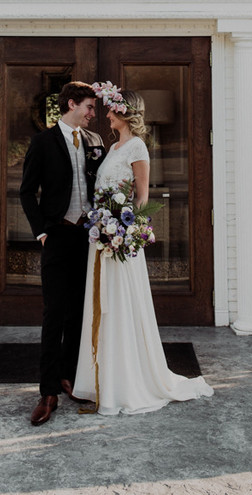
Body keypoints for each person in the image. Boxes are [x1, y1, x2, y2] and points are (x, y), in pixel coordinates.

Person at [74, 84, 214, 415]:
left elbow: (141, 198)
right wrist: (101, 226)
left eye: (110, 109)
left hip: (120, 243)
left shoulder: (137, 147)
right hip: (102, 240)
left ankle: (126, 382)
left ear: (124, 112)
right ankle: (100, 378)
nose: (106, 113)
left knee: (120, 306)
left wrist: (125, 231)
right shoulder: (112, 147)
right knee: (100, 304)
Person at [19, 81, 105, 426]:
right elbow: (27, 192)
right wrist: (41, 231)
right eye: (89, 107)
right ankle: (48, 391)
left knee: (80, 313)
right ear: (71, 104)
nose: (92, 113)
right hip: (56, 235)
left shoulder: (95, 142)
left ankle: (70, 377)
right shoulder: (42, 142)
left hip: (88, 237)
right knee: (54, 313)